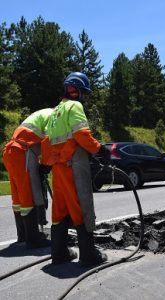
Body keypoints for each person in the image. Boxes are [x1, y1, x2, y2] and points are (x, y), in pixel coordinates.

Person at [42, 71, 111, 266]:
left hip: (58, 169)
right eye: (84, 93)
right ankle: (89, 255)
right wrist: (99, 149)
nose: (84, 97)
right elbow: (81, 134)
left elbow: (47, 142)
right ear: (77, 91)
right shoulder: (75, 106)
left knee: (60, 210)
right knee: (81, 207)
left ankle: (59, 254)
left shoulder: (55, 111)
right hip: (73, 167)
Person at [2, 108, 53, 249]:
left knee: (18, 197)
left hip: (10, 151)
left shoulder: (42, 114)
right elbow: (49, 139)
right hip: (22, 152)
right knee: (27, 195)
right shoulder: (54, 116)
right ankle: (33, 240)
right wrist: (46, 164)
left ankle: (23, 235)